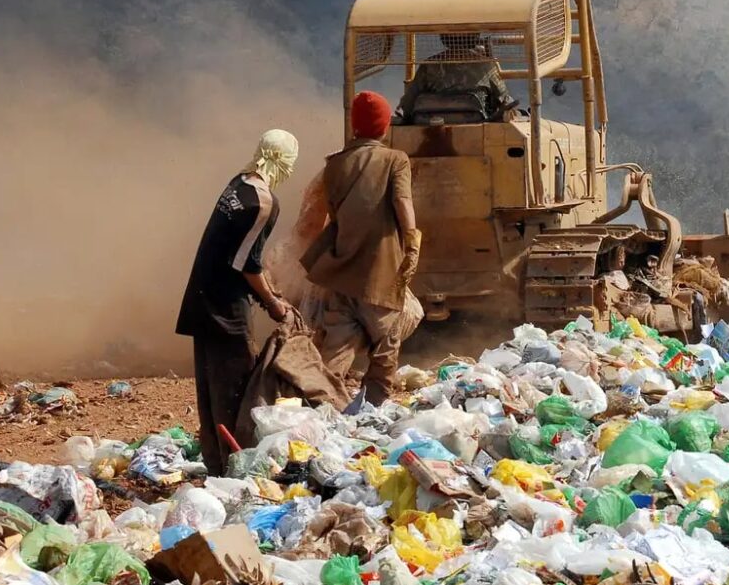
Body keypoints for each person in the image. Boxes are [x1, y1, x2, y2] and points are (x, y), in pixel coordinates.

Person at [175, 129, 299, 475]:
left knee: (210, 390)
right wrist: (273, 303)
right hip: (226, 309)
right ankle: (238, 469)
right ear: (284, 161)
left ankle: (216, 464)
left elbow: (236, 253)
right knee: (236, 390)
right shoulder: (262, 202)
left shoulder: (238, 184)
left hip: (202, 298)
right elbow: (247, 264)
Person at [303, 91, 420, 405]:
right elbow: (402, 202)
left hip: (340, 271)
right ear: (383, 127)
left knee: (337, 346)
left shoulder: (334, 165)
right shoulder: (396, 159)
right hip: (379, 273)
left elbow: (328, 214)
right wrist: (412, 243)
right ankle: (374, 406)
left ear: (355, 126)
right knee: (387, 341)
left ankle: (322, 406)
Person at [398, 33, 513, 123]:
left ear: (444, 37)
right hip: (478, 125)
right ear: (475, 35)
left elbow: (408, 103)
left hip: (430, 127)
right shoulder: (485, 64)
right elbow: (504, 99)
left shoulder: (429, 65)